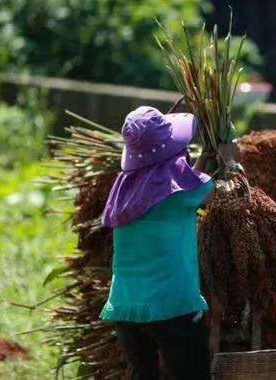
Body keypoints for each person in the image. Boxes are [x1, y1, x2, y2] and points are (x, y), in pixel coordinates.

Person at [99, 106, 235, 380]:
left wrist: (199, 166)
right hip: (171, 307)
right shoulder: (181, 189)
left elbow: (171, 193)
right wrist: (231, 161)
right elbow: (231, 196)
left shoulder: (125, 184)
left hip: (126, 308)